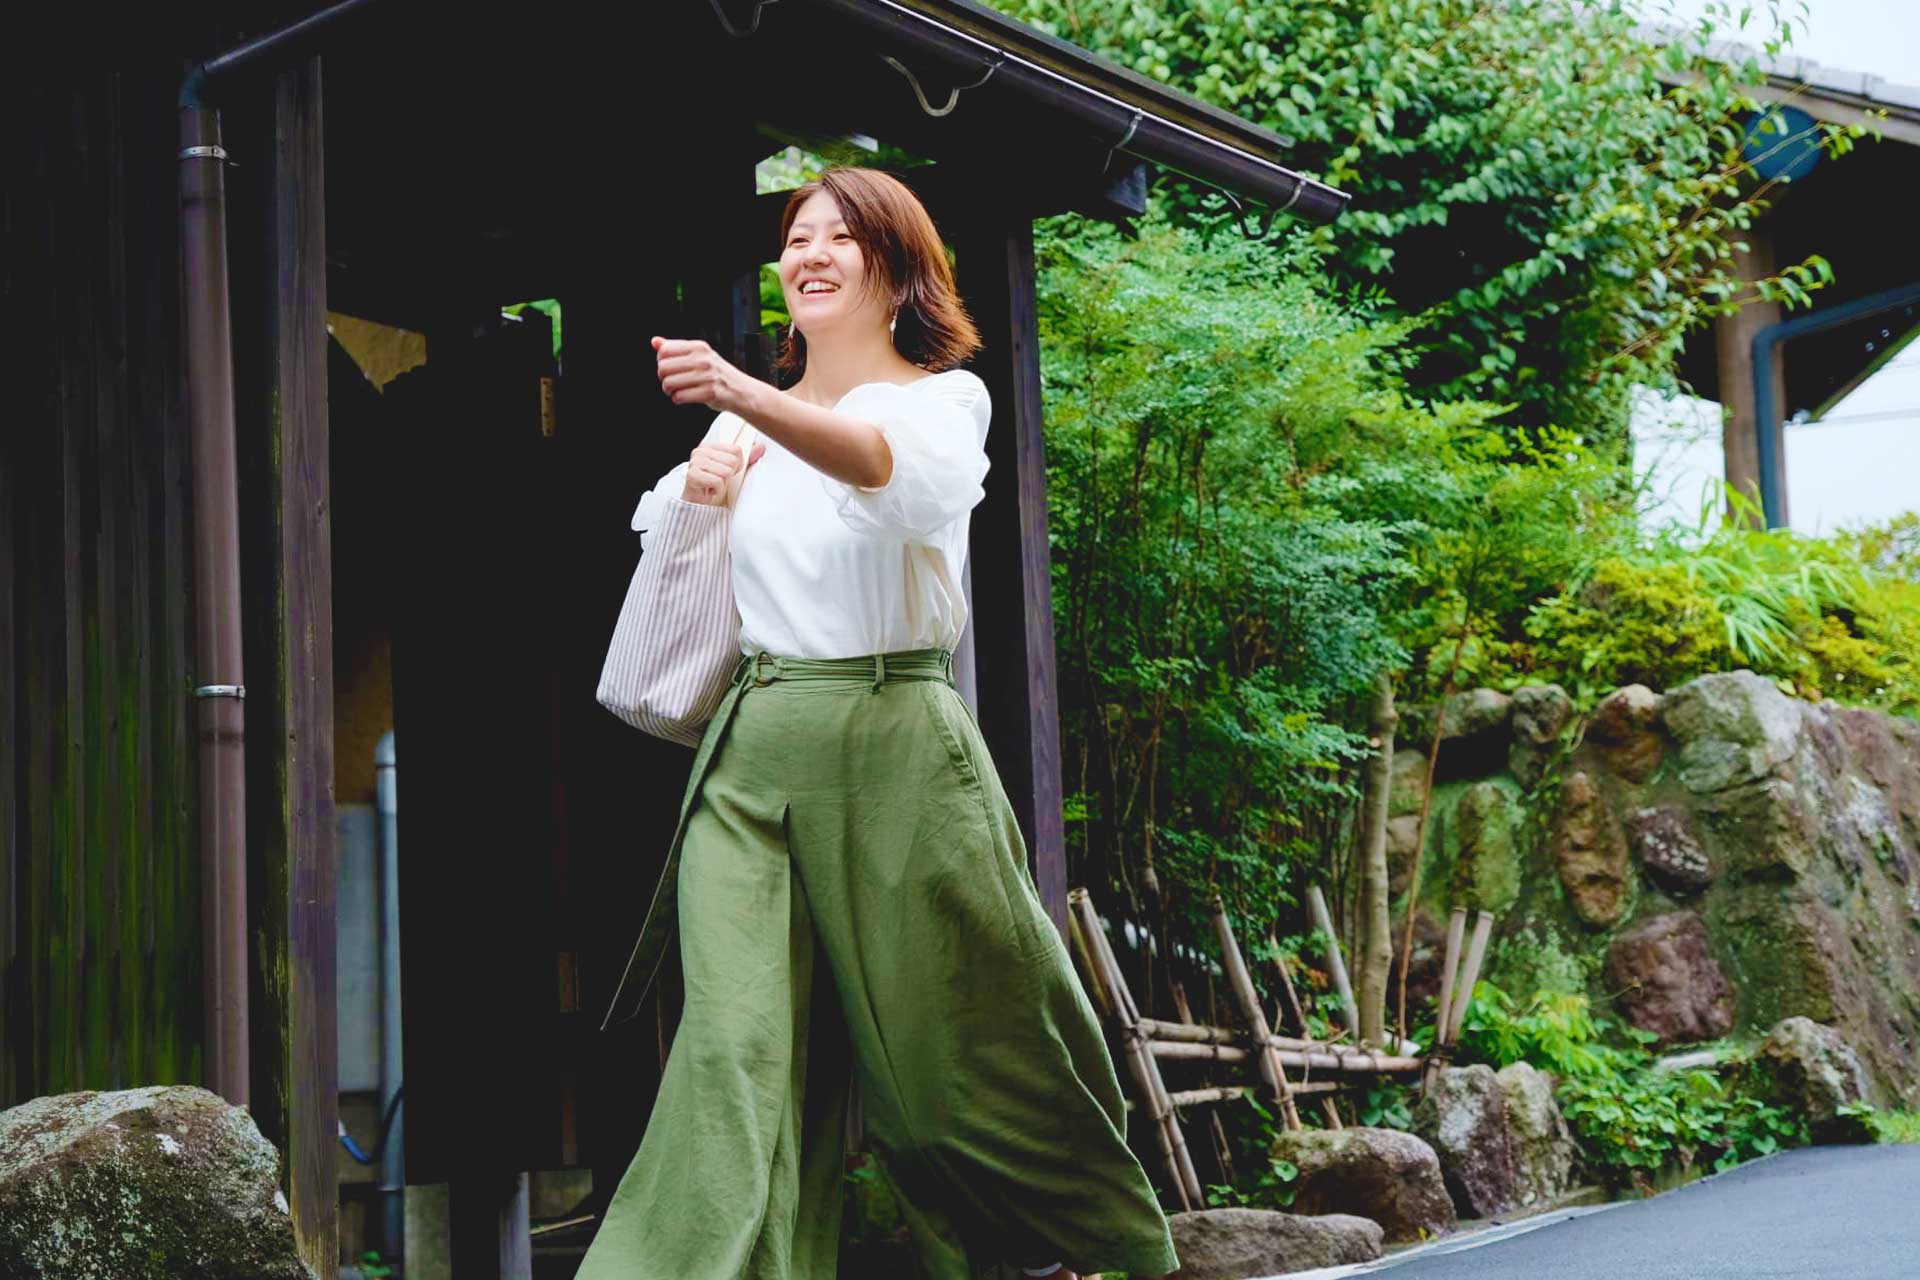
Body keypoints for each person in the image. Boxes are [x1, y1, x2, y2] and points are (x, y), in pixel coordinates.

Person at [577, 167, 1180, 1280]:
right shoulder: (740, 433)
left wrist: (747, 396)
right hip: (754, 752)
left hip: (899, 739)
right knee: (732, 1054)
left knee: (942, 1067)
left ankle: (1055, 1253)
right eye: (796, 237)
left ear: (897, 267)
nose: (808, 253)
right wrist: (712, 472)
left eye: (839, 236)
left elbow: (893, 480)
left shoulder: (941, 403)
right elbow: (688, 577)